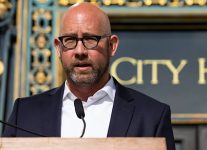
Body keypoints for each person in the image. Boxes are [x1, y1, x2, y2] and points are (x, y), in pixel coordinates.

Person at [2, 2, 175, 150]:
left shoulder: (151, 116)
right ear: (58, 48)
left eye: (90, 39)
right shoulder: (25, 113)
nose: (80, 51)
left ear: (112, 45)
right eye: (70, 40)